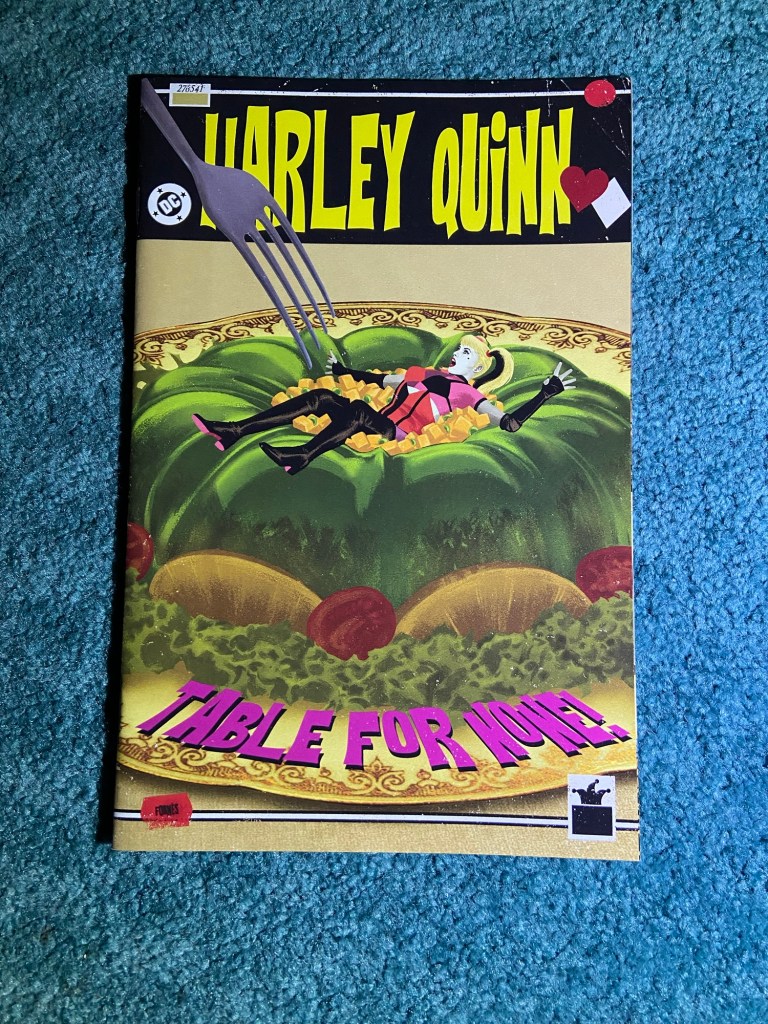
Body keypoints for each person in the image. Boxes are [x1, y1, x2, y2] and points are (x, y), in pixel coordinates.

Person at [192, 334, 576, 475]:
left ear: (477, 368)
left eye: (465, 354)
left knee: (358, 412)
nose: (456, 354)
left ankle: (303, 455)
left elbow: (509, 423)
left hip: (397, 433)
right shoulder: (424, 373)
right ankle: (234, 430)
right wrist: (344, 370)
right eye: (459, 349)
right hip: (378, 418)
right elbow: (381, 381)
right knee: (321, 397)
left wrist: (545, 394)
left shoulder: (468, 394)